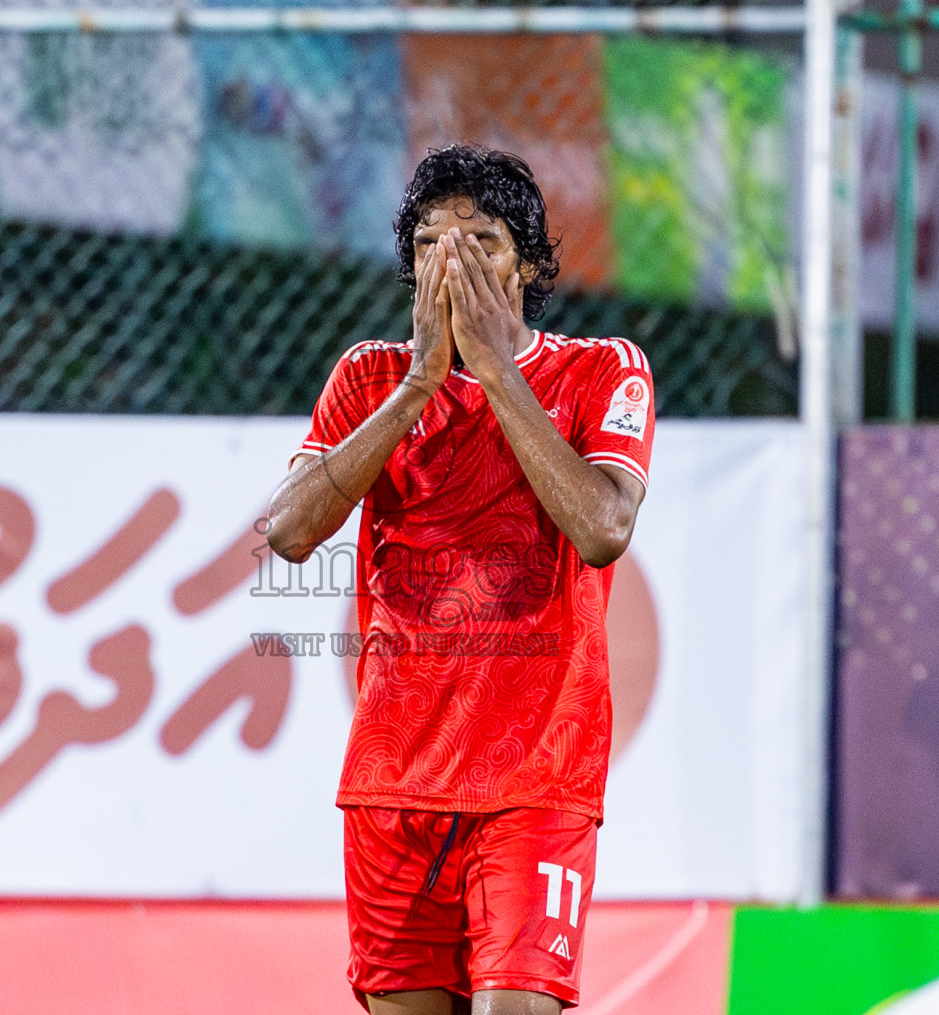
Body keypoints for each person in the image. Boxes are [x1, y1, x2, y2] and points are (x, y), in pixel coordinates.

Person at [265, 144, 654, 1015]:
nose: (456, 259)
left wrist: (492, 371)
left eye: (480, 240)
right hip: (392, 788)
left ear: (527, 262)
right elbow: (288, 532)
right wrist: (417, 387)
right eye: (435, 242)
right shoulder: (368, 377)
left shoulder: (602, 369)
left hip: (535, 784)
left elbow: (602, 529)